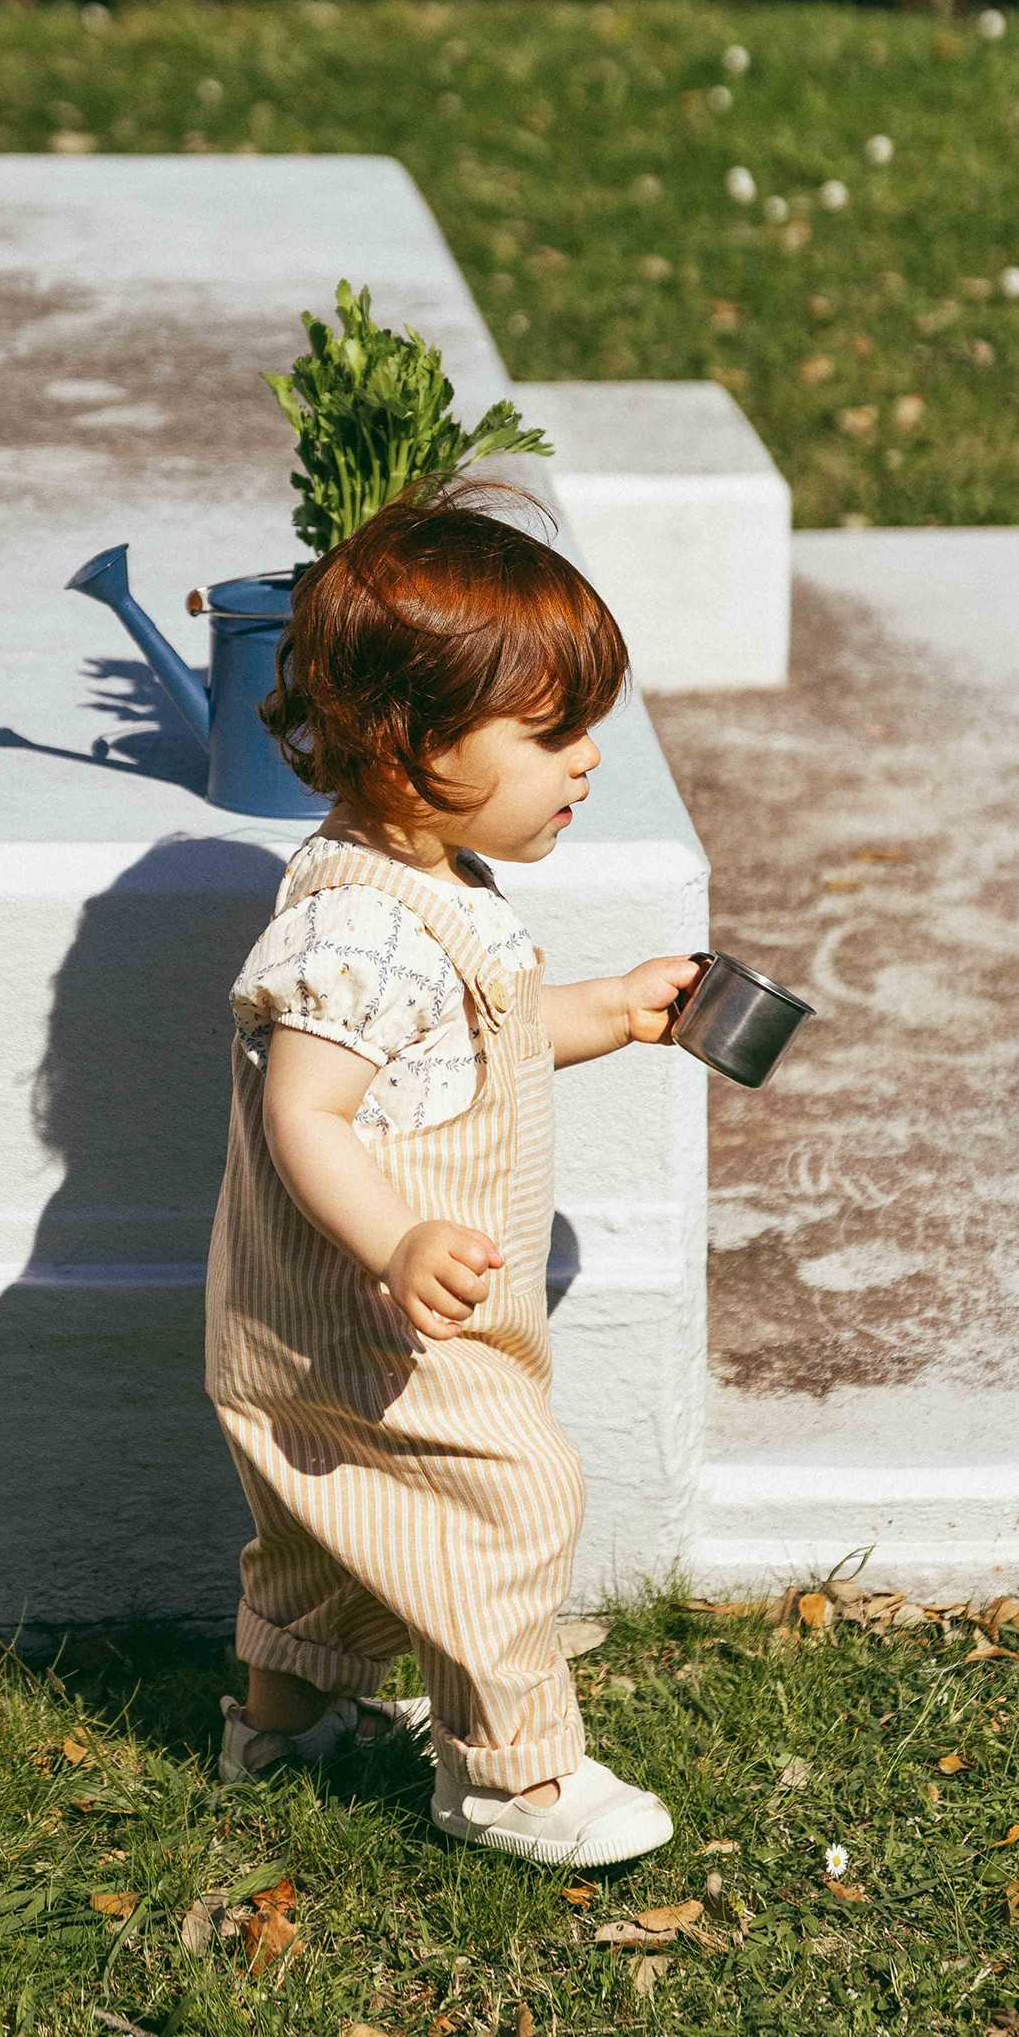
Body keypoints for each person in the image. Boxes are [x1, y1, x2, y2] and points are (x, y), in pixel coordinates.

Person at [205, 484, 705, 1867]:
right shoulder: (358, 924)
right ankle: (511, 1779)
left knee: (328, 1518)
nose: (587, 763)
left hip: (320, 1327)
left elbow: (473, 1040)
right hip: (376, 1315)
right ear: (414, 742)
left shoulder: (428, 883)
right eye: (553, 733)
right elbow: (311, 1115)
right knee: (509, 1498)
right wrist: (397, 1241)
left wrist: (611, 1007)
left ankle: (281, 1721)